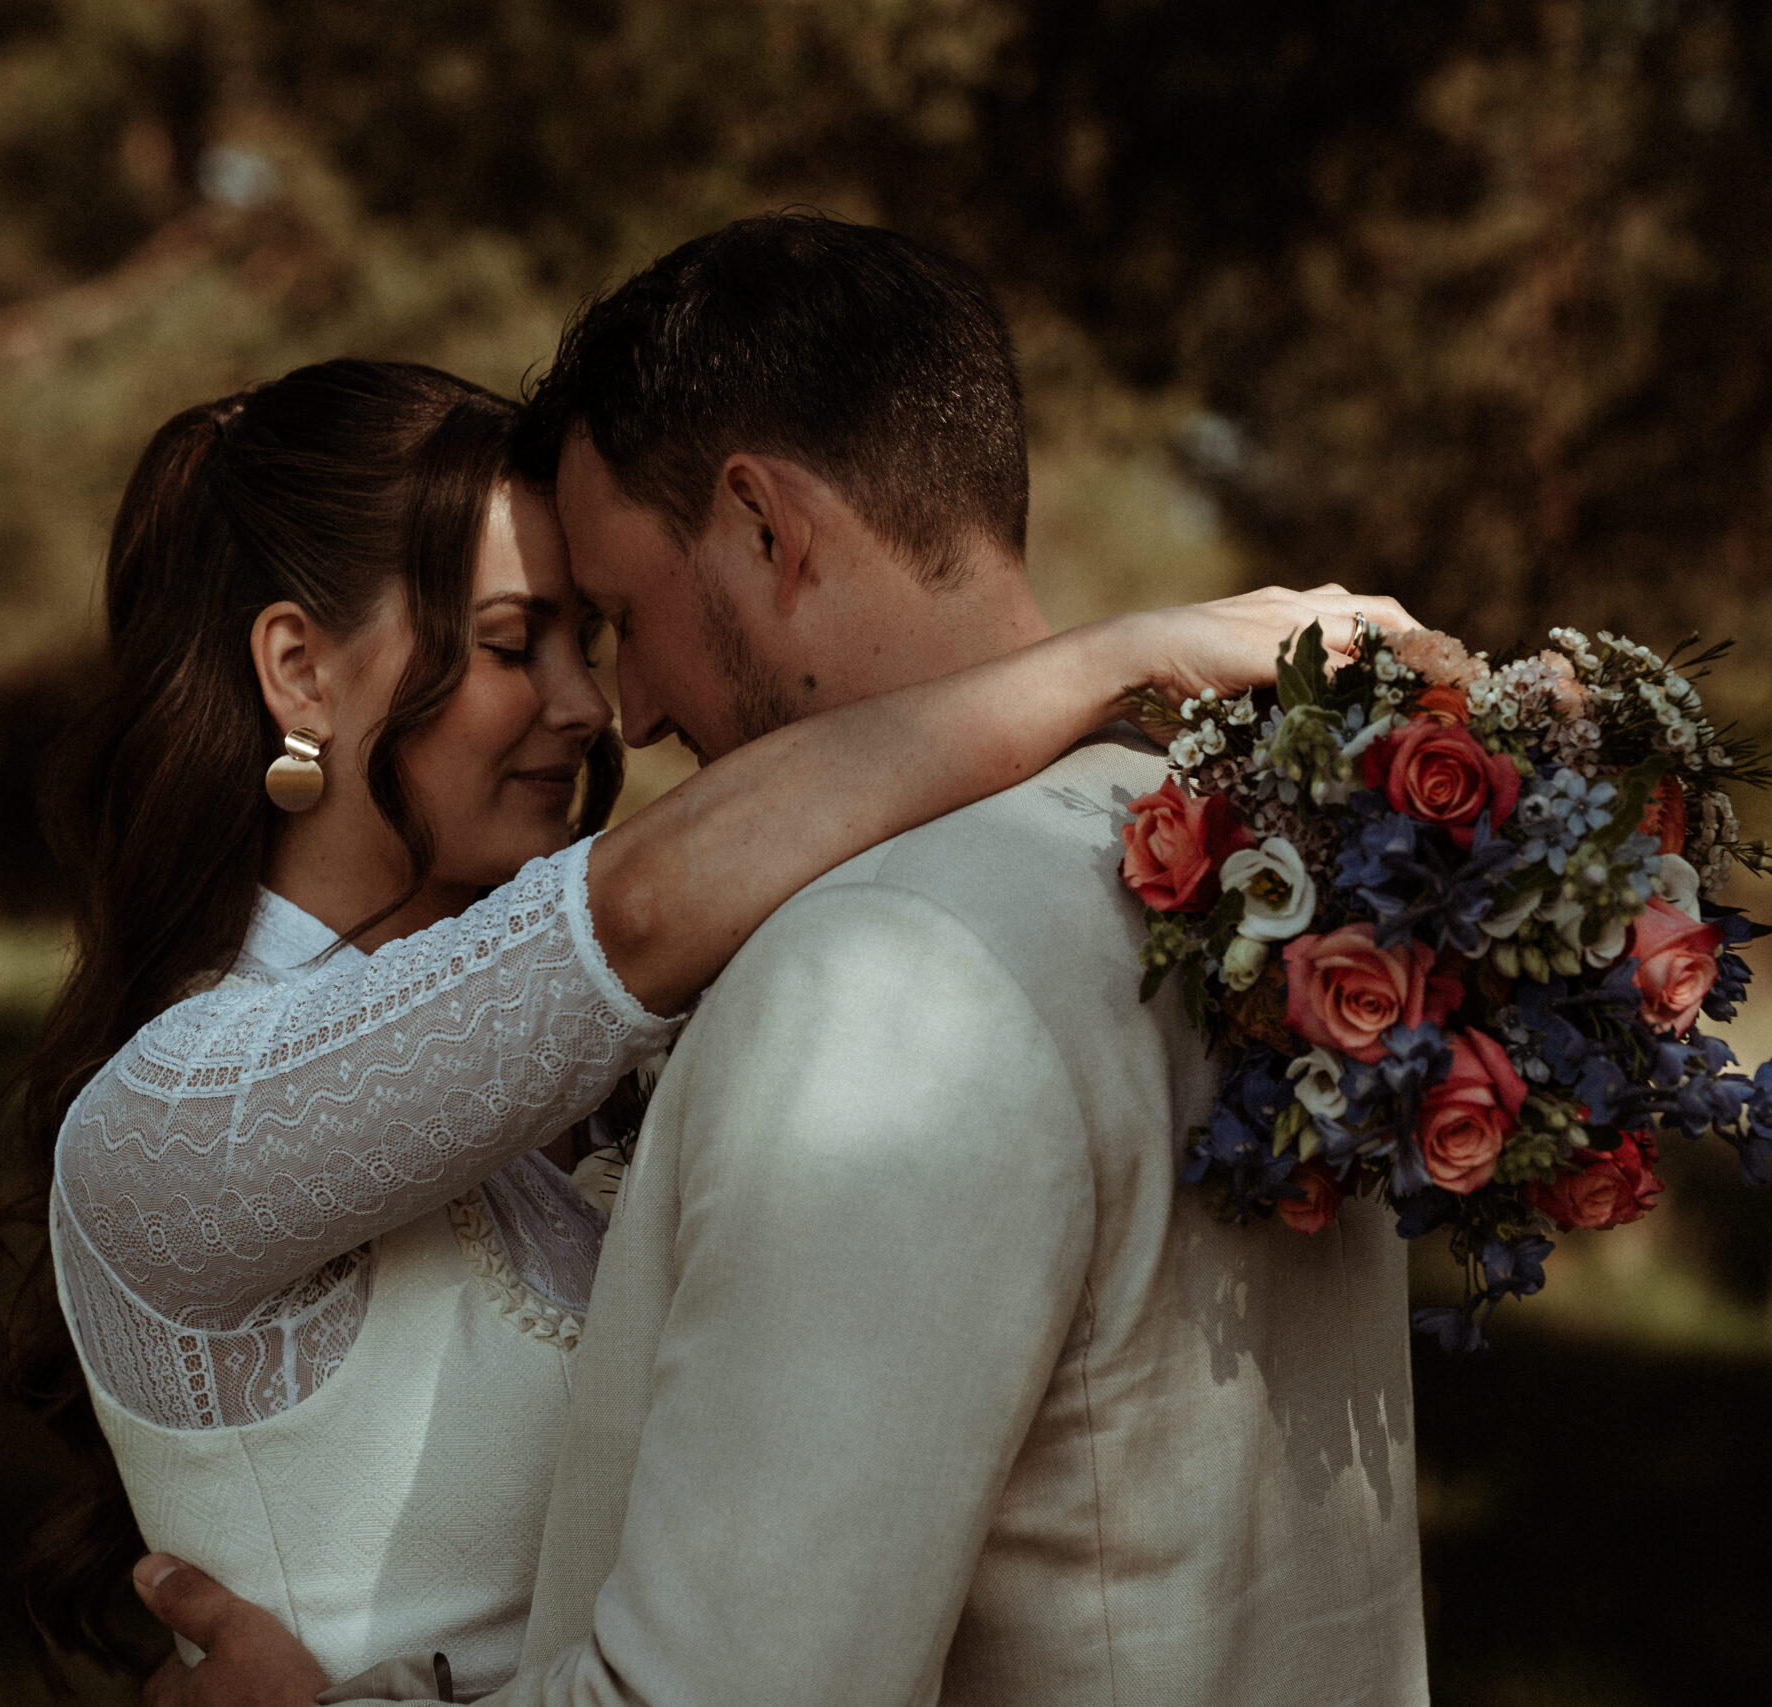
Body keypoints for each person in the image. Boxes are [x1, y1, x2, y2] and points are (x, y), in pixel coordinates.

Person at [124, 216, 1432, 1707]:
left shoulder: (880, 982)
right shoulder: (1237, 870)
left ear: (764, 527)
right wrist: (1118, 657)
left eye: (614, 620)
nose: (620, 715)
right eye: (520, 641)